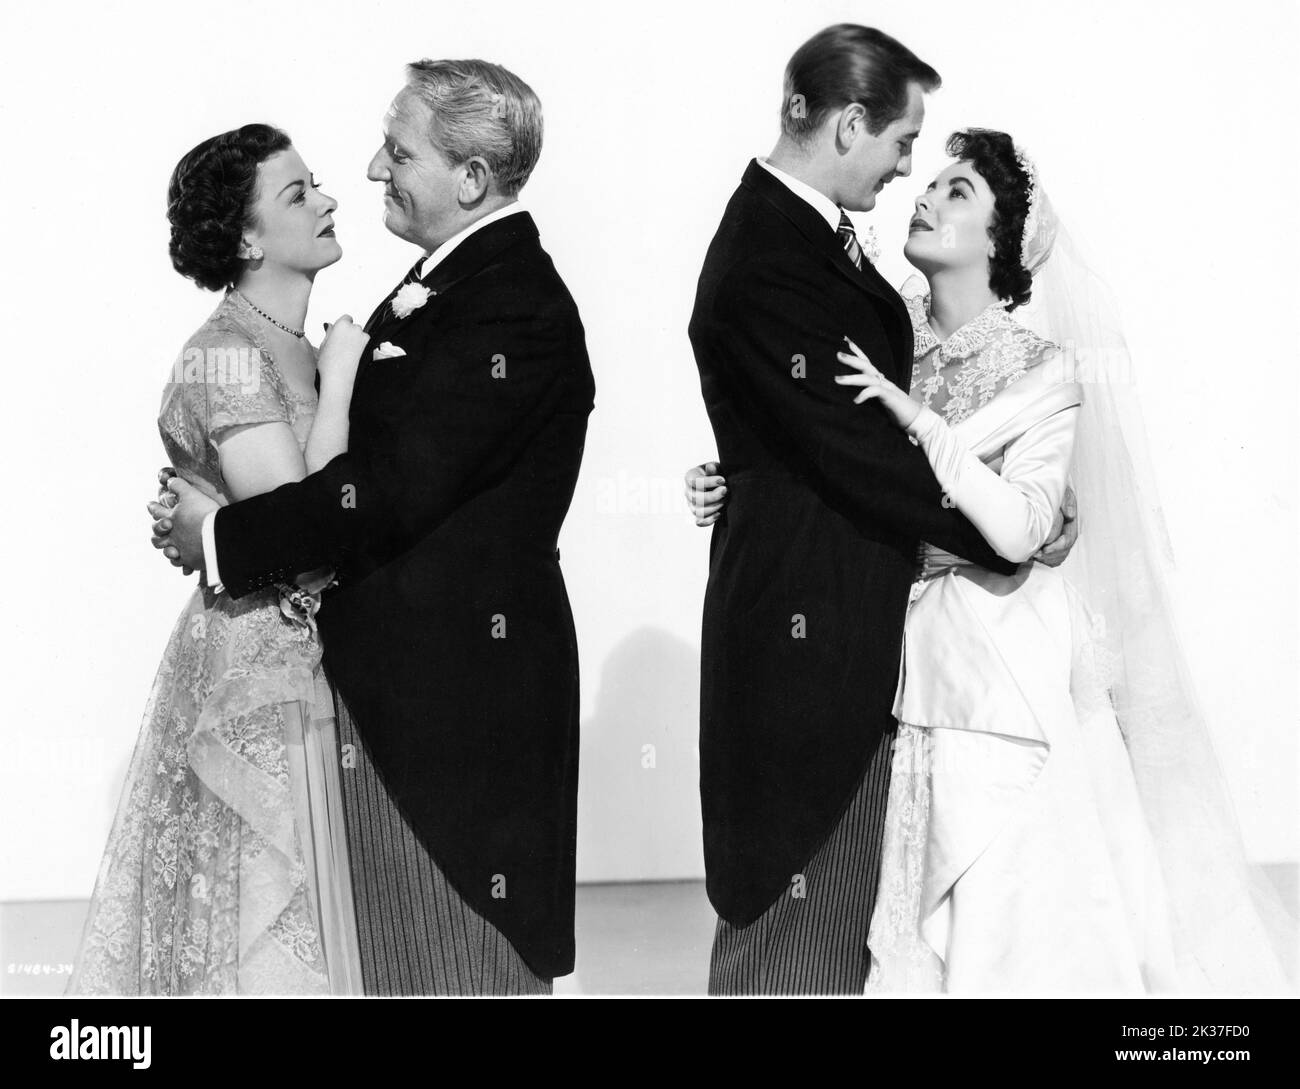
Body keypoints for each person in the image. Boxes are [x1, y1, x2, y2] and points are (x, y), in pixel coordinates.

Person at [688, 128, 1295, 993]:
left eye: (959, 190)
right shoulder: (877, 323)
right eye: (928, 179)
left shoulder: (1041, 371)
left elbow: (1023, 526)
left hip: (997, 666)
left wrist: (926, 428)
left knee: (1007, 914)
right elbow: (809, 440)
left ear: (1000, 243)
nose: (927, 195)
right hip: (886, 652)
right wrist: (733, 479)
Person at [149, 60, 595, 995]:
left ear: (471, 179)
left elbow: (382, 491)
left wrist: (220, 538)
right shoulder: (443, 287)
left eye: (398, 151)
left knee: (460, 970)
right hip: (386, 710)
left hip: (454, 718)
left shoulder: (511, 303)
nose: (370, 171)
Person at [685, 24, 1077, 996]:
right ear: (850, 123)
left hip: (905, 658)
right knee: (792, 914)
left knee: (877, 918)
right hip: (810, 636)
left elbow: (815, 428)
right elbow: (847, 446)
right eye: (908, 147)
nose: (911, 172)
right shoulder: (774, 254)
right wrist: (1013, 534)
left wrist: (1033, 521)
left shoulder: (817, 247)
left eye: (948, 179)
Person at [70, 123, 367, 994]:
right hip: (258, 676)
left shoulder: (298, 344)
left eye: (316, 184)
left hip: (313, 670)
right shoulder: (226, 354)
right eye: (298, 193)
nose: (328, 200)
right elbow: (299, 533)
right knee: (264, 936)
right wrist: (344, 377)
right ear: (245, 239)